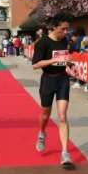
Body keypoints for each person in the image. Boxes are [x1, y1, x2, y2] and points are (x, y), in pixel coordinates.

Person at [32, 13, 78, 165]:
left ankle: (65, 153)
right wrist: (55, 59)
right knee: (45, 114)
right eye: (63, 29)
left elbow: (64, 58)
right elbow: (35, 64)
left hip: (62, 79)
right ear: (54, 27)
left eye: (67, 29)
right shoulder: (43, 42)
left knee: (62, 116)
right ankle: (42, 133)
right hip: (48, 80)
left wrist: (71, 65)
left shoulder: (64, 41)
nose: (66, 33)